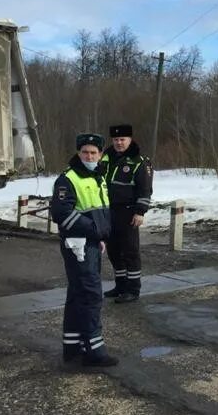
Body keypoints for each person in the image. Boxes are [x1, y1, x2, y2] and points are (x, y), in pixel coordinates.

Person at [50, 133, 117, 367]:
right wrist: (94, 230)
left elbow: (99, 209)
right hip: (77, 244)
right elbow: (61, 214)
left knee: (78, 293)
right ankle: (94, 350)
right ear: (79, 153)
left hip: (89, 242)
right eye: (85, 152)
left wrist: (100, 235)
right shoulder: (68, 178)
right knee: (90, 295)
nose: (89, 156)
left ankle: (72, 346)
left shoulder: (98, 176)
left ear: (100, 155)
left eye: (93, 152)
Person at [100, 123, 153, 303]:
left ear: (130, 139)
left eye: (122, 139)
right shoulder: (106, 157)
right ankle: (120, 285)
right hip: (108, 211)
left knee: (130, 252)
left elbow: (145, 190)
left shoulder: (139, 162)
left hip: (129, 212)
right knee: (114, 251)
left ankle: (133, 289)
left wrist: (140, 212)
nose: (119, 143)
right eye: (115, 139)